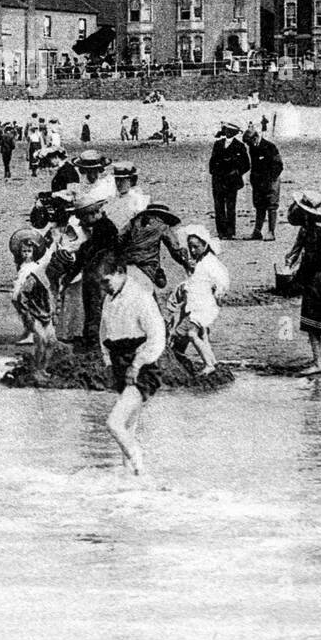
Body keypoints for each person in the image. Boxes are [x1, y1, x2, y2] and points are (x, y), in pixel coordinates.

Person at [97, 255, 166, 475]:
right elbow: (103, 333)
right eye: (100, 283)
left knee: (114, 423)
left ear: (120, 272)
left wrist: (137, 364)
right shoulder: (110, 298)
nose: (103, 287)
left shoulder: (141, 297)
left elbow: (157, 336)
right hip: (119, 363)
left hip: (142, 367)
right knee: (128, 427)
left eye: (106, 281)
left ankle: (137, 457)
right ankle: (134, 478)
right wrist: (108, 363)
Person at [284, 190, 321, 376]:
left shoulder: (309, 231)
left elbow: (307, 259)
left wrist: (294, 276)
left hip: (316, 279)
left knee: (313, 323)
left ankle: (318, 362)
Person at [167, 225, 231, 375]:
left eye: (196, 247)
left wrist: (217, 293)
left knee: (191, 333)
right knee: (202, 334)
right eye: (191, 247)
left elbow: (222, 280)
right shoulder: (202, 262)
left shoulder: (210, 262)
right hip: (198, 304)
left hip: (203, 305)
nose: (193, 250)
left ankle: (209, 364)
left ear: (205, 245)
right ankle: (212, 360)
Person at [69, 193, 120, 349]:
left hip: (98, 275)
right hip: (102, 274)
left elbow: (91, 251)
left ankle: (93, 342)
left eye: (83, 219)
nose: (82, 222)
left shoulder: (103, 228)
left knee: (94, 308)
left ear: (92, 214)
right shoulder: (105, 226)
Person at [9, 228, 58, 372]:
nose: (26, 254)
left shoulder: (37, 268)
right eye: (23, 252)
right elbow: (21, 292)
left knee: (50, 340)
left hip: (42, 306)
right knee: (42, 339)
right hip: (34, 307)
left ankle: (44, 366)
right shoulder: (27, 269)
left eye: (29, 251)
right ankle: (39, 367)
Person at [118, 201, 191, 289]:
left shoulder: (134, 222)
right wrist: (185, 261)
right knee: (160, 287)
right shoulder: (162, 226)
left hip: (126, 262)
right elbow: (174, 248)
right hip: (148, 265)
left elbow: (119, 238)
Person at [208, 122, 249, 240]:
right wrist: (215, 174)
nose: (226, 132)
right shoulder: (218, 144)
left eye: (229, 130)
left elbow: (246, 164)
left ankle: (230, 231)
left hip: (231, 181)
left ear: (233, 132)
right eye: (226, 130)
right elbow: (212, 161)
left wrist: (237, 172)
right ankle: (221, 231)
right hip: (218, 180)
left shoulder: (240, 146)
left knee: (231, 206)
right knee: (219, 206)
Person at [245, 127, 283, 240]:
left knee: (271, 206)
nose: (249, 145)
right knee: (259, 206)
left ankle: (271, 232)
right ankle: (257, 231)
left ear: (255, 137)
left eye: (249, 142)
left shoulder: (270, 146)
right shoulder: (252, 147)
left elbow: (279, 165)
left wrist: (269, 179)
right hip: (258, 182)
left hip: (271, 181)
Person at [104, 162, 149, 232]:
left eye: (122, 180)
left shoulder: (138, 199)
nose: (118, 184)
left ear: (131, 181)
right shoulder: (111, 199)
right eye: (117, 180)